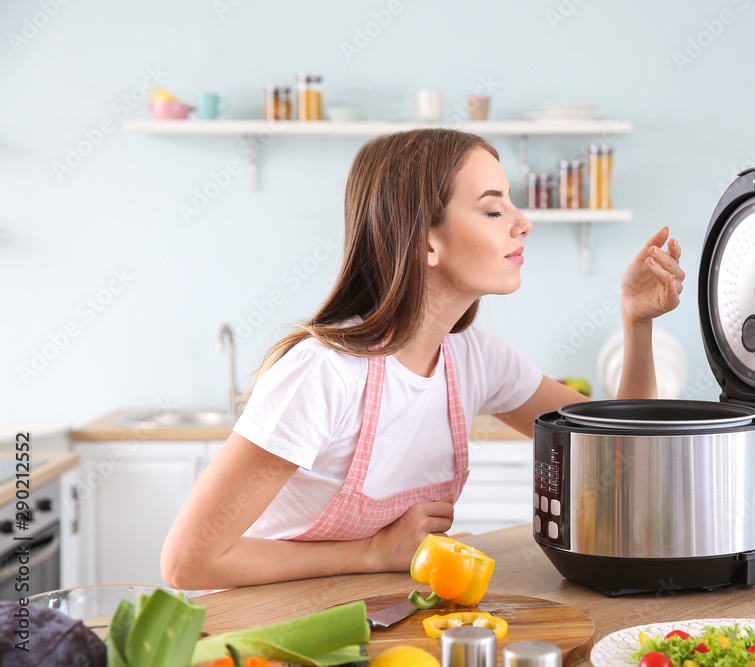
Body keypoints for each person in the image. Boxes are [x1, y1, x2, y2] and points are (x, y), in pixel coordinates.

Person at [160, 128, 684, 590]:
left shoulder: (472, 358)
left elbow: (622, 455)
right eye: (494, 207)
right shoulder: (324, 374)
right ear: (425, 242)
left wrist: (636, 322)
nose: (523, 222)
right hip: (267, 631)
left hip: (368, 616)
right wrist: (373, 554)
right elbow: (189, 562)